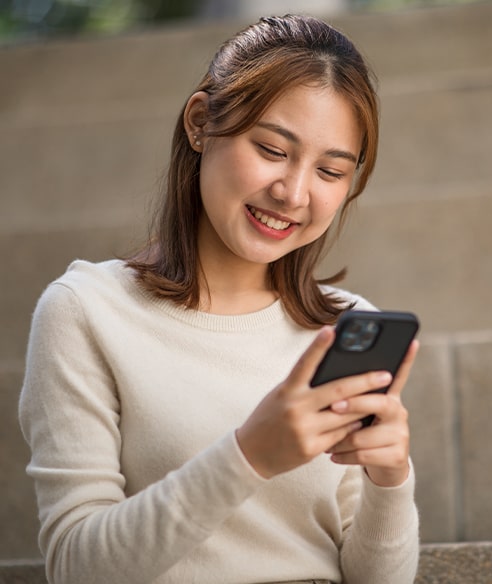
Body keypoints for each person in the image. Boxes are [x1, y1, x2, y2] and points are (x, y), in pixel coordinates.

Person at [19, 14, 420, 584]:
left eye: (331, 170)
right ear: (201, 123)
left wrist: (390, 478)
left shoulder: (347, 326)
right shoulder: (86, 310)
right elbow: (76, 567)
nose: (294, 192)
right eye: (272, 149)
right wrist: (249, 455)